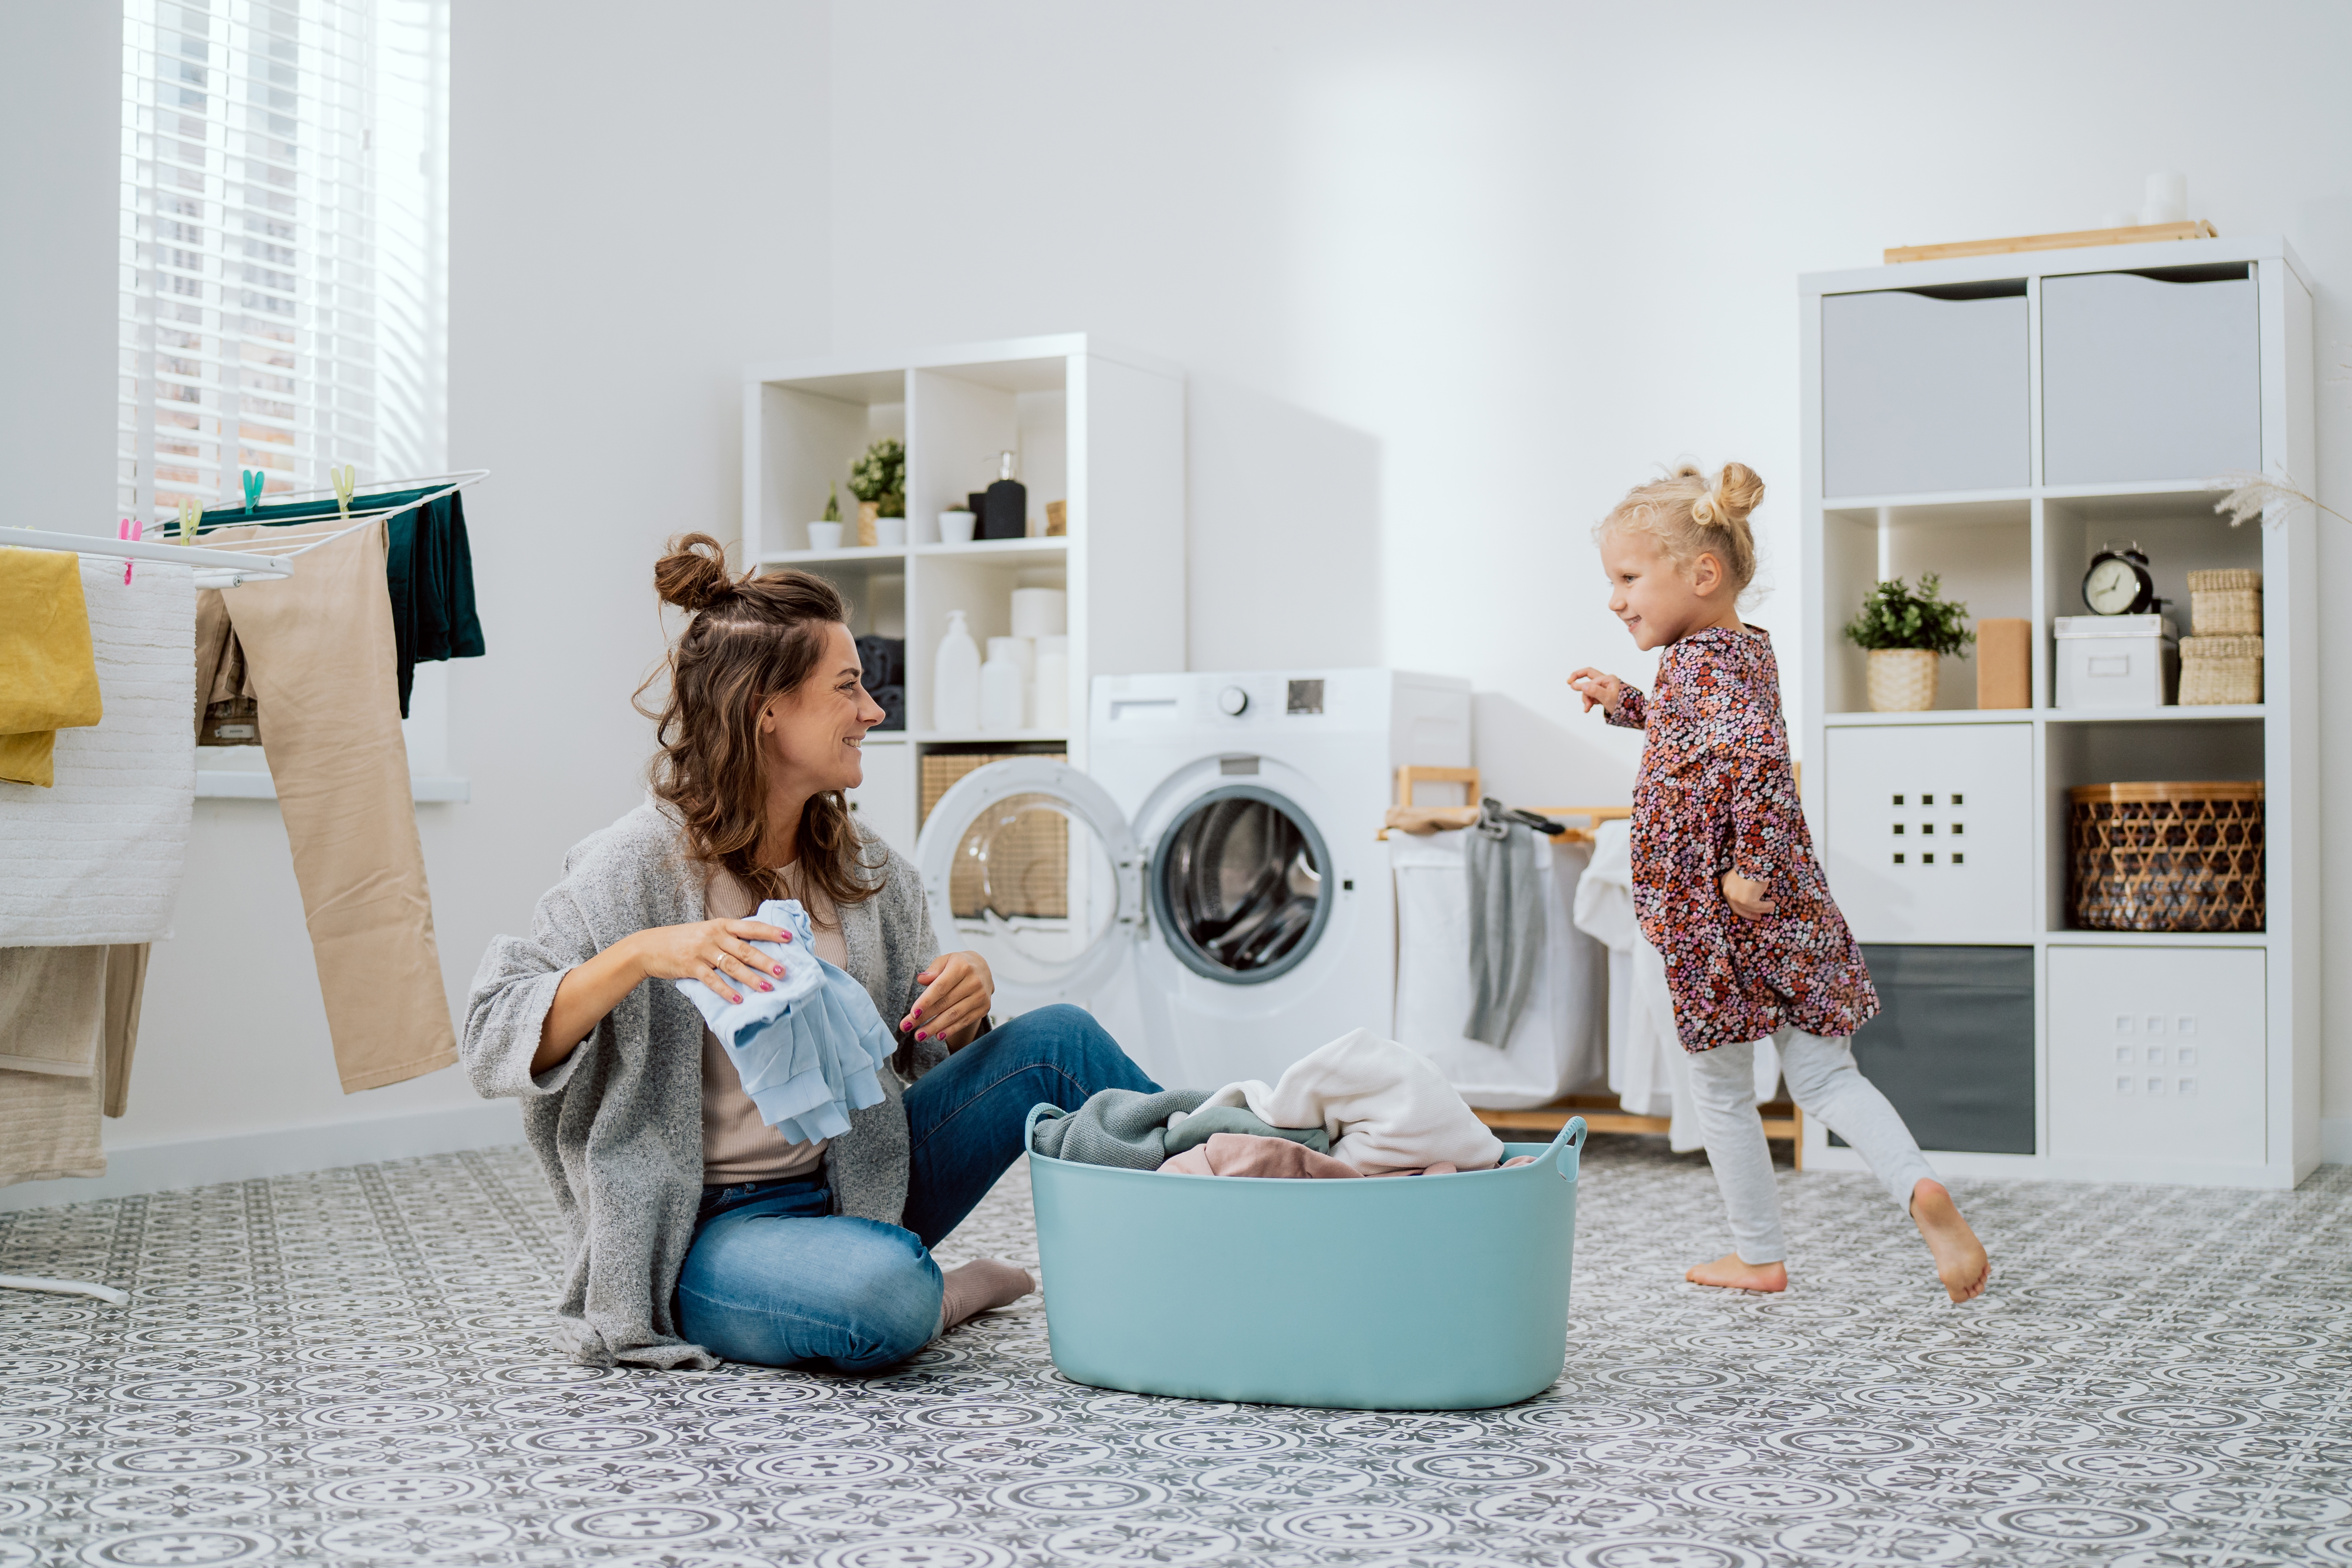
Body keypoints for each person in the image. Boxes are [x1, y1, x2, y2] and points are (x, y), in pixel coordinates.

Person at [463, 534, 1157, 1371]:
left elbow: (917, 1053)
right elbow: (491, 1032)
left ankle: (1244, 1189)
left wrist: (965, 1006)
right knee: (885, 1295)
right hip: (710, 1228)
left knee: (1061, 1040)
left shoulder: (868, 871)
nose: (873, 711)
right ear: (766, 707)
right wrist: (647, 954)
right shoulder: (630, 869)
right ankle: (946, 1290)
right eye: (848, 687)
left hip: (862, 1174)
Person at [1567, 463, 1989, 1303]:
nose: (1614, 599)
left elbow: (1755, 758)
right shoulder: (1730, 653)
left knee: (1719, 1087)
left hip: (1710, 910)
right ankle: (1917, 1188)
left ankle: (1758, 1255)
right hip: (1776, 908)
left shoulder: (1704, 663)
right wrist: (1627, 704)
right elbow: (1704, 734)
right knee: (1829, 1078)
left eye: (1626, 578)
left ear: (1701, 574)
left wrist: (1745, 866)